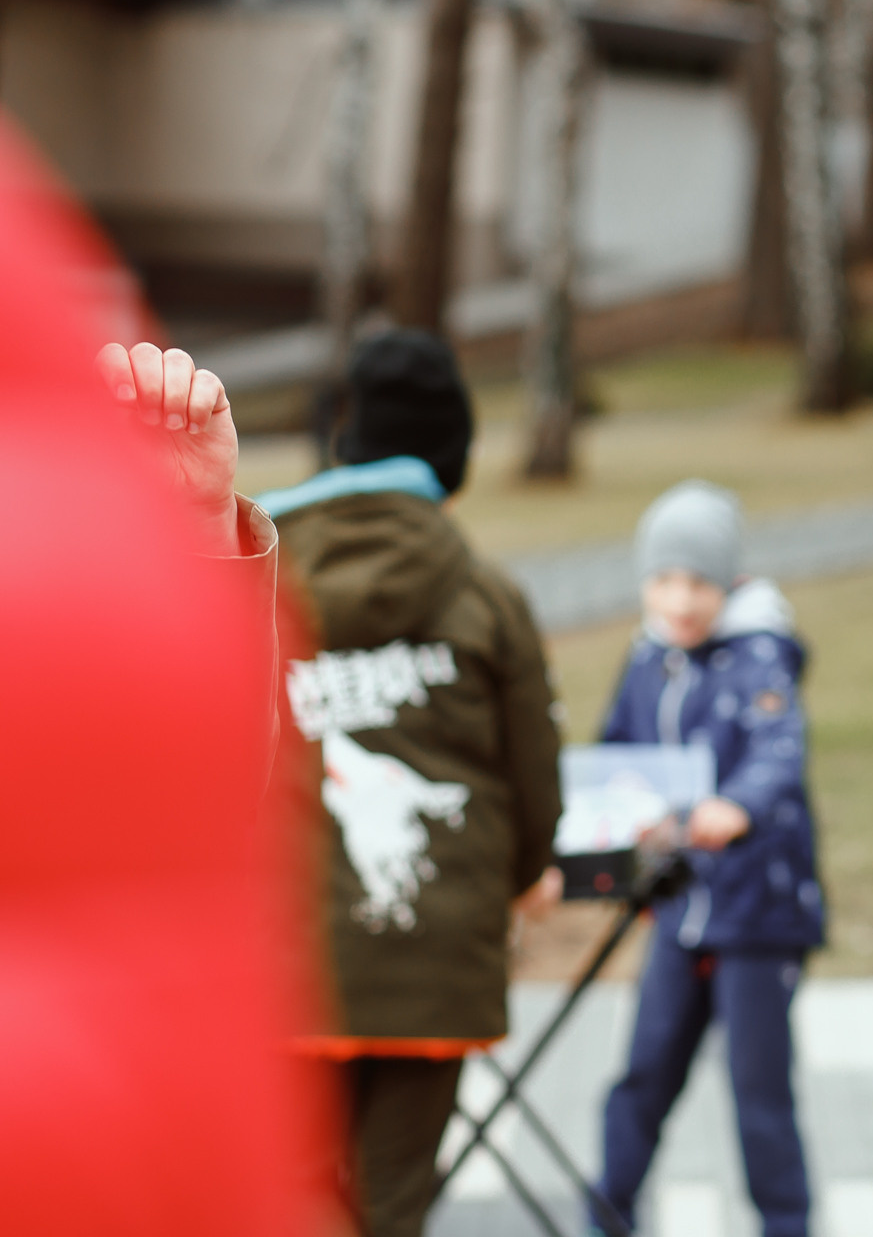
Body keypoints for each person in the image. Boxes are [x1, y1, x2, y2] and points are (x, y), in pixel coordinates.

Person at [258, 329, 565, 1237]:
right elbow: (533, 771)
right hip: (436, 953)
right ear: (451, 455)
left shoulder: (260, 578)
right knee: (392, 1205)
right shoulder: (483, 589)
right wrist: (523, 873)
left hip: (287, 953)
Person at [595, 481, 825, 1237]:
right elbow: (616, 751)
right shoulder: (649, 659)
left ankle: (786, 1223)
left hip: (756, 911)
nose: (680, 600)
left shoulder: (760, 658)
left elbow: (778, 753)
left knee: (758, 1091)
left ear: (728, 581)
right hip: (679, 906)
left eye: (697, 582)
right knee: (645, 1072)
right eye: (664, 580)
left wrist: (736, 807)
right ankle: (608, 1209)